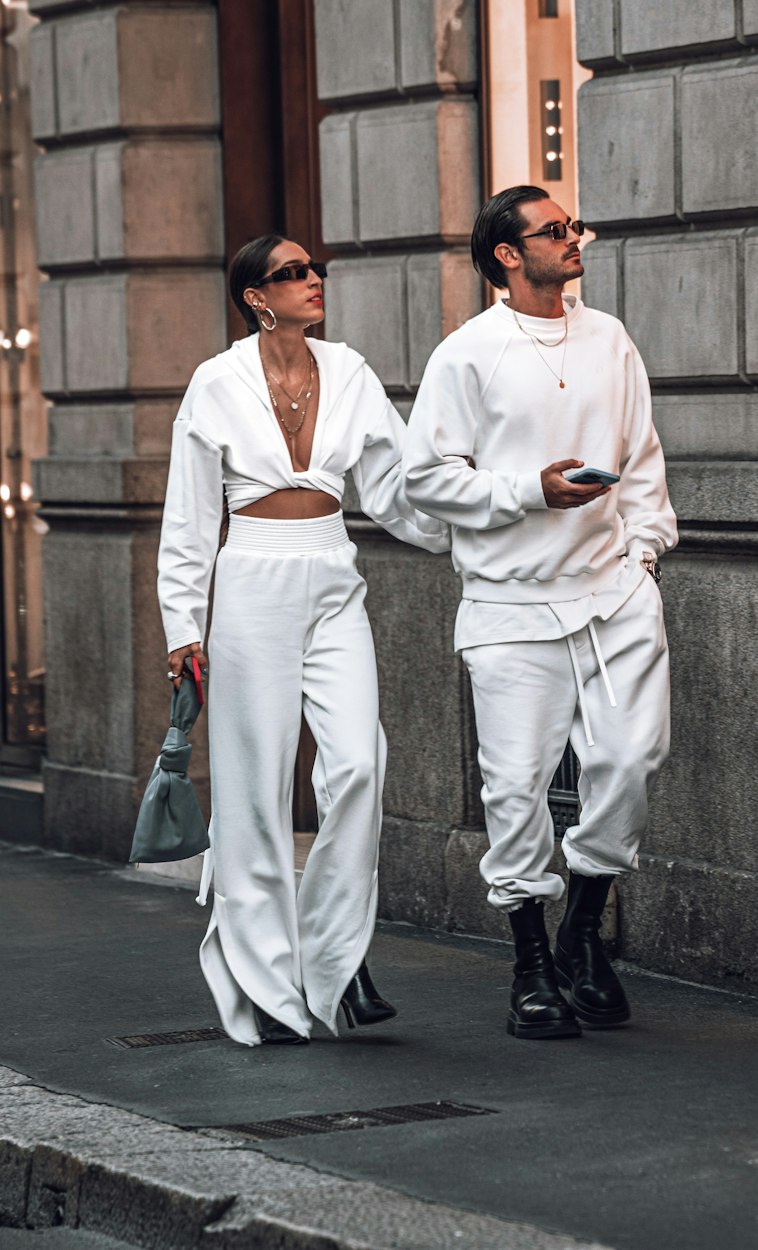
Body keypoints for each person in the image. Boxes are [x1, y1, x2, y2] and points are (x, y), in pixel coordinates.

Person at [157, 235, 449, 1046]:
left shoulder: (349, 371)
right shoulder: (215, 383)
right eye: (292, 273)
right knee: (254, 788)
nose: (312, 280)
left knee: (358, 763)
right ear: (256, 296)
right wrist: (184, 625)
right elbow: (188, 517)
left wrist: (482, 534)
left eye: (314, 269)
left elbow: (394, 492)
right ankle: (261, 974)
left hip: (332, 572)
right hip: (251, 578)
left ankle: (335, 953)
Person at [403, 186, 677, 1041]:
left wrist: (643, 550)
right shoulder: (469, 354)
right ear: (508, 256)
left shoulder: (609, 337)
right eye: (553, 231)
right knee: (516, 788)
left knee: (630, 760)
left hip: (613, 591)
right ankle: (531, 966)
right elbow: (426, 479)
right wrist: (530, 491)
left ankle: (582, 932)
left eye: (572, 225)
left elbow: (639, 456)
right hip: (511, 604)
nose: (573, 238)